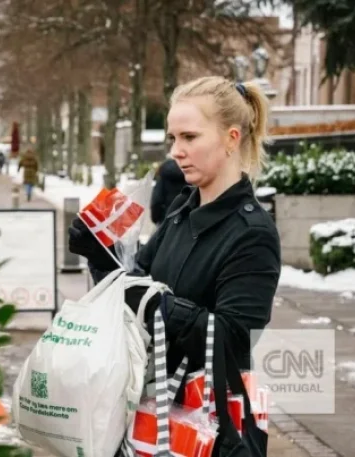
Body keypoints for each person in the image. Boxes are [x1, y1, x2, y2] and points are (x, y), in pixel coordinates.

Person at [68, 76, 280, 456]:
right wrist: (103, 256)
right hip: (150, 416)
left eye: (190, 137)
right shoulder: (183, 209)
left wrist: (146, 297)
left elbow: (231, 340)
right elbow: (135, 286)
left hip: (208, 428)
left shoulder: (253, 234)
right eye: (172, 138)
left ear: (232, 138)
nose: (176, 151)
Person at [150, 157, 188, 224]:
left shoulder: (163, 177)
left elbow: (157, 200)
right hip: (187, 219)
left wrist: (155, 218)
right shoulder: (189, 174)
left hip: (166, 219)